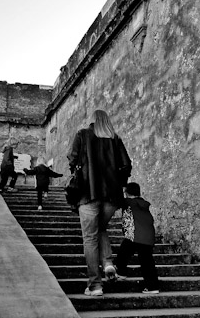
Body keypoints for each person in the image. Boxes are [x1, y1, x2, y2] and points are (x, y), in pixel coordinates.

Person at [68, 110, 131, 296]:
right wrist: (117, 182)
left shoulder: (82, 134)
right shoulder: (115, 138)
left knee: (89, 237)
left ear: (92, 121)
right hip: (112, 197)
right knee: (100, 229)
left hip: (88, 194)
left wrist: (79, 170)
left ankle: (95, 285)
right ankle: (109, 263)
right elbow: (126, 165)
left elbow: (72, 158)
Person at [115, 182, 159, 293]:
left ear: (127, 193)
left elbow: (116, 199)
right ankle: (153, 287)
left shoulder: (128, 202)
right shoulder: (143, 203)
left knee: (122, 253)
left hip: (134, 234)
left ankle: (121, 272)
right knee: (147, 262)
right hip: (148, 236)